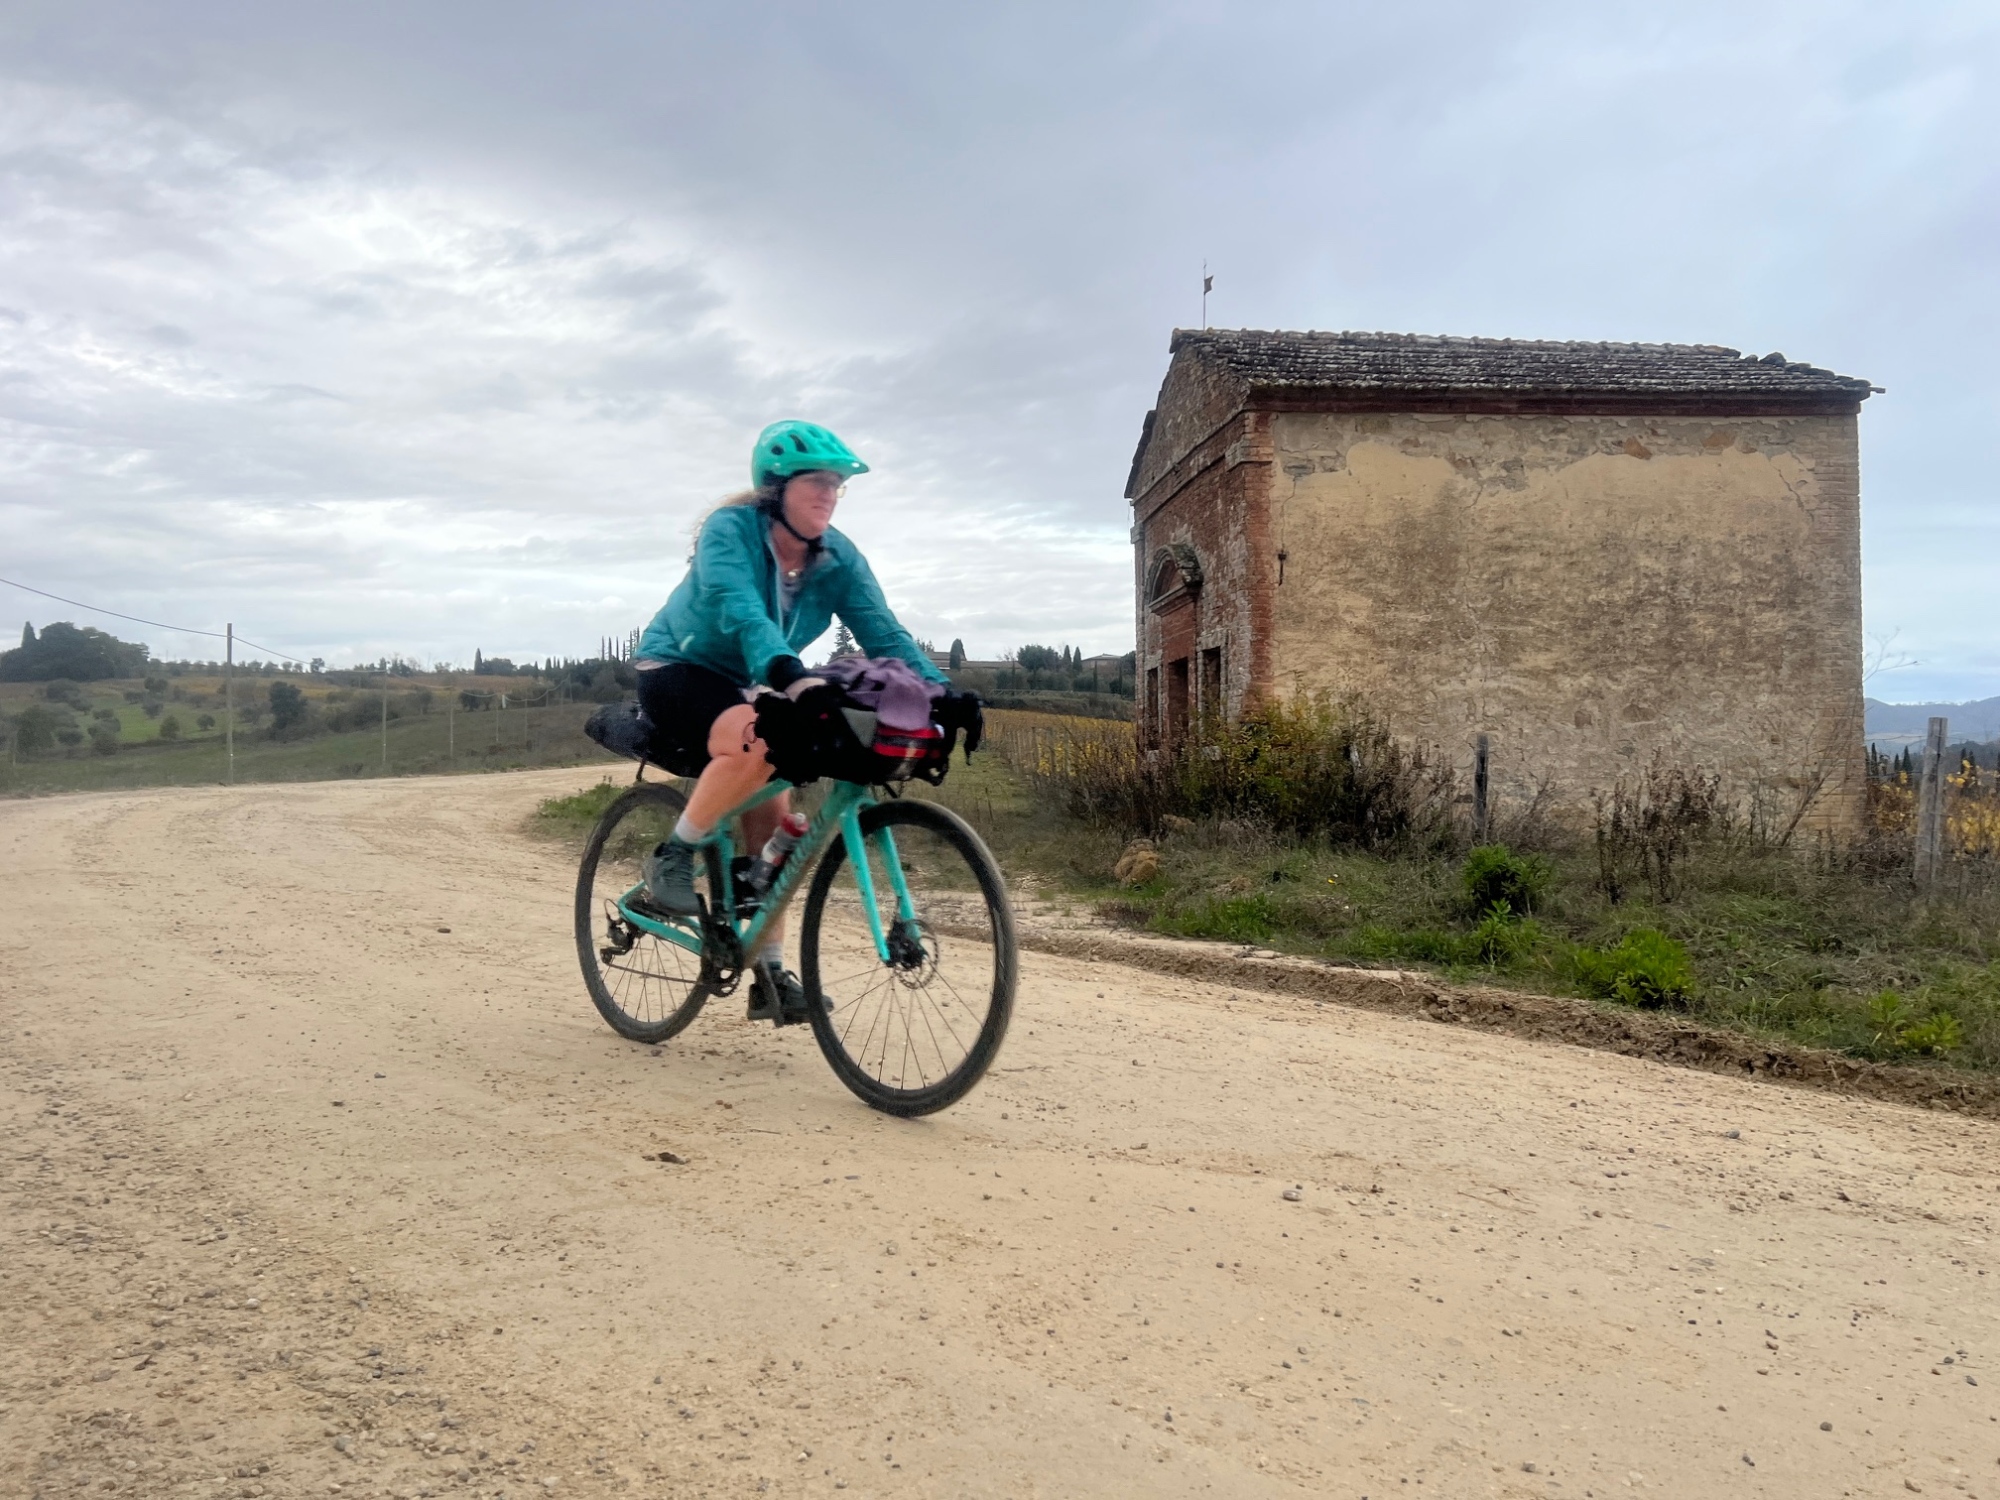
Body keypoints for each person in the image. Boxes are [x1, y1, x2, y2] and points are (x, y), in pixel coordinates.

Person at [630, 419, 948, 1019]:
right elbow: (741, 610)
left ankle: (770, 975)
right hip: (677, 666)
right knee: (756, 743)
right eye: (818, 483)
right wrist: (784, 670)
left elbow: (883, 631)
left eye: (837, 485)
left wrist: (941, 690)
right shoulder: (731, 531)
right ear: (777, 487)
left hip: (757, 676)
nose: (830, 494)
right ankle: (673, 854)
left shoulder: (838, 557)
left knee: (776, 814)